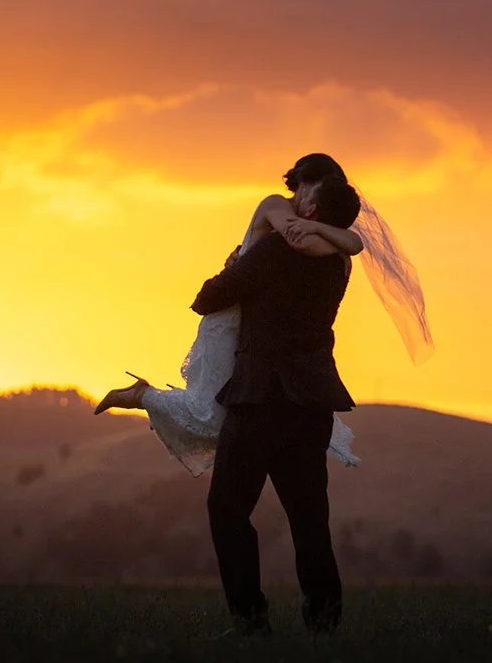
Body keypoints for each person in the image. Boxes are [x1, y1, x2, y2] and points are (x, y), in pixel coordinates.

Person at [94, 154, 365, 475]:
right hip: (228, 314)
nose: (312, 202)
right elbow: (300, 239)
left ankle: (145, 398)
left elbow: (352, 242)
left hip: (254, 319)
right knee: (210, 413)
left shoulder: (315, 227)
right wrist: (333, 237)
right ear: (303, 184)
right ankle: (141, 396)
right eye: (316, 189)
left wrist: (335, 236)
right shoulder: (276, 204)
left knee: (220, 415)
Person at [191, 174, 362, 635]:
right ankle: (325, 621)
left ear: (312, 210)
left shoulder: (271, 251)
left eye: (305, 192)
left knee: (228, 509)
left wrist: (233, 264)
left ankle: (250, 619)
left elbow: (206, 300)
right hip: (312, 403)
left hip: (260, 397)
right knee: (309, 517)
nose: (295, 196)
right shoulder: (340, 266)